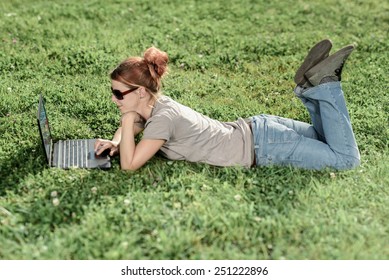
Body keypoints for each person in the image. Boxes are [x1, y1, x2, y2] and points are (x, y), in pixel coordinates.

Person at [94, 39, 360, 171]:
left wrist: (126, 122)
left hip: (265, 145)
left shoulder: (162, 120)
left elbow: (130, 165)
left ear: (140, 92)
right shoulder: (159, 107)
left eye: (118, 94)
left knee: (346, 159)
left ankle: (324, 83)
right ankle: (309, 86)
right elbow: (140, 125)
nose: (114, 98)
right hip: (262, 130)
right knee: (326, 139)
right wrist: (117, 141)